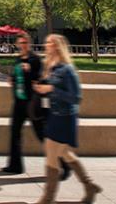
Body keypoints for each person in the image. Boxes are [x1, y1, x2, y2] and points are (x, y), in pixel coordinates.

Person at [32, 34, 101, 204]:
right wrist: (42, 88)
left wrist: (51, 89)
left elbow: (75, 97)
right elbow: (50, 89)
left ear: (57, 46)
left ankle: (47, 198)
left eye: (50, 43)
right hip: (54, 115)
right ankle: (90, 186)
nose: (46, 45)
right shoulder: (51, 67)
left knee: (51, 154)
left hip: (65, 117)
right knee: (64, 153)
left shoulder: (67, 69)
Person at [1, 34, 71, 180]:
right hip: (19, 103)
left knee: (43, 137)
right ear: (17, 44)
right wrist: (12, 80)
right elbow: (15, 77)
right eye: (20, 43)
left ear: (29, 43)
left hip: (32, 104)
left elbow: (40, 77)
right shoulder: (18, 59)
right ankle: (15, 166)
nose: (23, 45)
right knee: (14, 133)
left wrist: (30, 70)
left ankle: (64, 165)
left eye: (25, 42)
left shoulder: (35, 59)